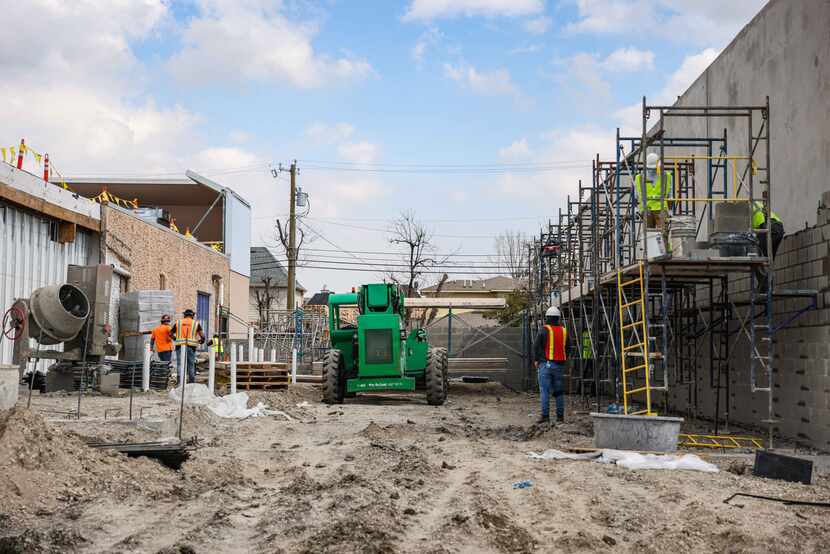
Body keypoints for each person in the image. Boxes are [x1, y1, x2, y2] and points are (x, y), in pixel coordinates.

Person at [532, 306, 568, 424]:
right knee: (559, 392)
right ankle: (560, 417)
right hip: (560, 366)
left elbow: (536, 346)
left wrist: (537, 360)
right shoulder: (564, 330)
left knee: (545, 391)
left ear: (547, 317)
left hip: (546, 365)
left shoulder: (544, 329)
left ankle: (545, 416)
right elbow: (568, 347)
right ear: (558, 318)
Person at [752, 192, 784, 291]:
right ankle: (768, 286)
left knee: (758, 258)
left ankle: (765, 286)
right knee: (769, 260)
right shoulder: (756, 204)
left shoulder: (750, 209)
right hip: (778, 228)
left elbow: (761, 224)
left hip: (769, 228)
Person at [636, 152, 674, 232]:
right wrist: (636, 209)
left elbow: (670, 195)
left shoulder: (667, 176)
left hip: (661, 209)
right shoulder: (639, 178)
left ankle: (663, 244)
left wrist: (670, 211)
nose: (652, 170)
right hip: (647, 209)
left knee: (663, 234)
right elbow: (636, 196)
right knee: (649, 235)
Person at [169, 309, 205, 384]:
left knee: (180, 364)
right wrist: (202, 341)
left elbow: (170, 334)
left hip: (179, 345)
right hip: (191, 346)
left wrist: (175, 338)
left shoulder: (178, 322)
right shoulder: (196, 323)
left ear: (184, 315)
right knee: (191, 364)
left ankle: (180, 381)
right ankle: (191, 382)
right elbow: (202, 336)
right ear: (192, 315)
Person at [581, 328, 594, 396]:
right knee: (593, 374)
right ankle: (592, 392)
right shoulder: (592, 334)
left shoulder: (583, 334)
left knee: (584, 374)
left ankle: (580, 390)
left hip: (586, 356)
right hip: (591, 356)